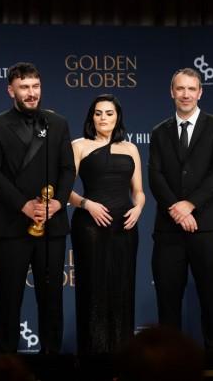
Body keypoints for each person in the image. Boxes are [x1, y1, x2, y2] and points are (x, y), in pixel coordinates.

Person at [0, 62, 75, 354]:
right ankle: (5, 366)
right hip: (12, 225)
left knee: (51, 300)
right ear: (11, 90)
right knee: (9, 300)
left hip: (52, 225)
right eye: (24, 87)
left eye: (36, 87)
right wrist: (23, 205)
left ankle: (51, 365)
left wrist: (58, 202)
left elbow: (67, 169)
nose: (32, 93)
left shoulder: (57, 124)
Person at [148, 67, 213, 349]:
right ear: (172, 92)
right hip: (169, 229)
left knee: (211, 296)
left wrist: (191, 204)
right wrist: (176, 208)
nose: (185, 94)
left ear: (200, 92)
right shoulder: (159, 132)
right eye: (180, 89)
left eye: (191, 89)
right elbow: (155, 176)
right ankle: (167, 362)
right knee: (168, 299)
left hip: (207, 226)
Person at [68, 94, 144, 354]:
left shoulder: (131, 148)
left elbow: (139, 191)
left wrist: (139, 208)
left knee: (122, 289)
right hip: (89, 227)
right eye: (98, 113)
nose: (103, 118)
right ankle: (93, 358)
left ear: (118, 117)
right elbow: (65, 190)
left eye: (109, 113)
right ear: (91, 117)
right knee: (93, 290)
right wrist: (87, 204)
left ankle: (122, 357)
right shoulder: (78, 145)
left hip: (125, 227)